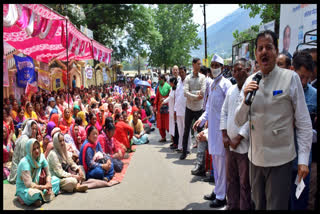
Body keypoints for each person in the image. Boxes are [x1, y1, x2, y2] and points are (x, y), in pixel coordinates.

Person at [234, 30, 312, 210]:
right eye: (260, 48)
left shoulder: (290, 78)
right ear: (255, 54)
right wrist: (246, 100)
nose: (264, 51)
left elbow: (303, 122)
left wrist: (303, 160)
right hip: (255, 160)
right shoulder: (250, 82)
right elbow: (238, 121)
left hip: (280, 161)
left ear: (276, 51)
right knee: (258, 205)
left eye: (268, 47)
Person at [194, 54, 232, 208]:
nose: (215, 68)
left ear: (222, 68)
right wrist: (202, 119)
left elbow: (230, 108)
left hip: (222, 131)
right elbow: (208, 107)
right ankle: (217, 190)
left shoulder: (226, 84)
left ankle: (222, 197)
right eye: (213, 65)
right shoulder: (213, 85)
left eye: (217, 65)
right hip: (213, 130)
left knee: (222, 164)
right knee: (216, 164)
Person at [220, 58, 251, 210]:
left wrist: (239, 137)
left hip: (244, 146)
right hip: (230, 146)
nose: (237, 73)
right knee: (231, 180)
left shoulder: (252, 89)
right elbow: (224, 112)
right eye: (235, 70)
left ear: (248, 70)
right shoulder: (231, 90)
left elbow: (252, 116)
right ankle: (232, 206)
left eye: (240, 69)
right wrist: (225, 135)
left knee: (244, 182)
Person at [289, 50, 316, 210]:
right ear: (293, 70)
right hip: (283, 160)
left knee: (299, 203)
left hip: (302, 163)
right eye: (301, 77)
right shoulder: (282, 91)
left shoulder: (314, 96)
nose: (304, 81)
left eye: (308, 77)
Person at [15, 139, 60, 207]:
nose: (37, 151)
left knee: (56, 180)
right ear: (29, 150)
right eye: (33, 149)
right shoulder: (25, 162)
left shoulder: (41, 157)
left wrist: (48, 183)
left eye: (38, 148)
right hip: (25, 188)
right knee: (33, 194)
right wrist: (45, 187)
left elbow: (48, 173)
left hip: (39, 184)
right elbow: (29, 184)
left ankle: (39, 198)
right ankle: (23, 197)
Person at [180, 58, 206, 160]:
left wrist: (192, 93)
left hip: (199, 109)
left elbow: (203, 92)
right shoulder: (187, 78)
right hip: (189, 108)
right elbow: (185, 93)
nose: (200, 66)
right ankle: (184, 151)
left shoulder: (203, 77)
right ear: (193, 64)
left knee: (200, 131)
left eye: (200, 64)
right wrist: (196, 95)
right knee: (187, 130)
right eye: (198, 64)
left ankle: (201, 155)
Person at [174, 66, 192, 153]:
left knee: (186, 129)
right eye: (180, 72)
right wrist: (175, 109)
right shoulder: (178, 83)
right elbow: (176, 97)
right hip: (178, 110)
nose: (181, 74)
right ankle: (180, 146)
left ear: (185, 72)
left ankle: (188, 148)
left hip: (186, 109)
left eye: (182, 72)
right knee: (180, 129)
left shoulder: (188, 82)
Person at [162, 77, 178, 148]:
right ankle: (174, 141)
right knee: (172, 127)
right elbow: (169, 97)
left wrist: (175, 111)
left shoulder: (176, 90)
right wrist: (164, 101)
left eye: (170, 82)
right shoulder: (172, 89)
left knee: (176, 128)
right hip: (171, 111)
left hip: (175, 112)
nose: (169, 83)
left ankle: (176, 143)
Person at [154, 74, 171, 142]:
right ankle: (163, 137)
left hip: (167, 107)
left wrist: (165, 98)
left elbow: (171, 97)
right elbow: (157, 97)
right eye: (158, 79)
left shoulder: (168, 87)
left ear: (163, 79)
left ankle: (172, 137)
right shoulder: (158, 88)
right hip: (159, 107)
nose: (159, 80)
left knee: (168, 123)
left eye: (160, 79)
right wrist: (155, 106)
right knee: (160, 123)